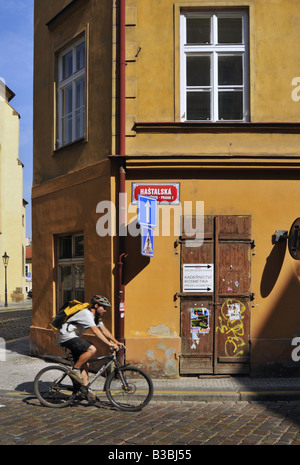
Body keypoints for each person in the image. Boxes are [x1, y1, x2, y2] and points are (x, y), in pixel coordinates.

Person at [58, 295, 125, 392]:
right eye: (104, 308)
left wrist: (116, 342)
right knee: (92, 349)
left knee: (85, 362)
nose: (105, 310)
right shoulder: (87, 313)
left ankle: (85, 389)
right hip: (67, 336)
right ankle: (74, 370)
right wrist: (109, 344)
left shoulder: (96, 317)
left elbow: (104, 330)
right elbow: (96, 331)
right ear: (96, 306)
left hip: (73, 336)